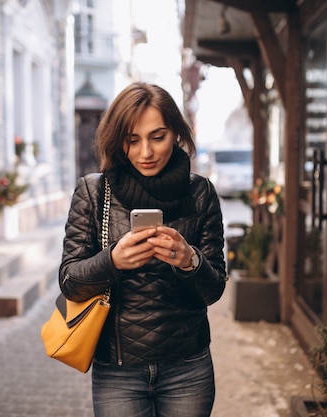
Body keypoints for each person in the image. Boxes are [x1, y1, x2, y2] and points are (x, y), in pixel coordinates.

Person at [59, 82, 227, 417]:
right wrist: (113, 261)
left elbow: (214, 289)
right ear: (117, 140)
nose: (145, 152)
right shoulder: (94, 193)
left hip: (188, 367)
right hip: (117, 371)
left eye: (157, 136)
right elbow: (70, 282)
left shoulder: (201, 194)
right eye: (132, 140)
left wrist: (190, 261)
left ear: (176, 133)